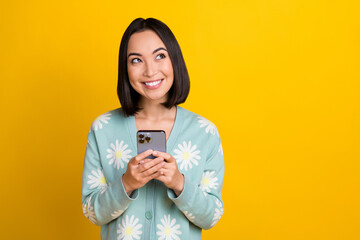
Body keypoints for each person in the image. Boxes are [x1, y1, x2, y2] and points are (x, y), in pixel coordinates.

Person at [81, 17, 225, 240]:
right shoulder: (103, 129)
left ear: (174, 60)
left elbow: (211, 217)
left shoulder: (205, 132)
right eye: (136, 60)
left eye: (160, 56)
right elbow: (93, 213)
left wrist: (179, 182)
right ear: (125, 68)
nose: (150, 71)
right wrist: (126, 183)